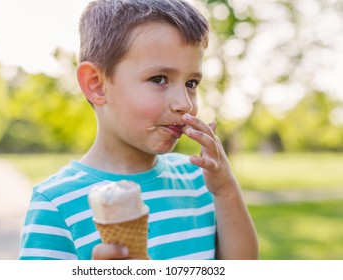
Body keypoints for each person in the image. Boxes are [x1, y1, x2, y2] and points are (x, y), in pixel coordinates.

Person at [19, 0, 258, 260]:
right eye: (159, 79)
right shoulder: (56, 204)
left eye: (191, 82)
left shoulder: (199, 181)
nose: (185, 103)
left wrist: (226, 190)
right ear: (97, 85)